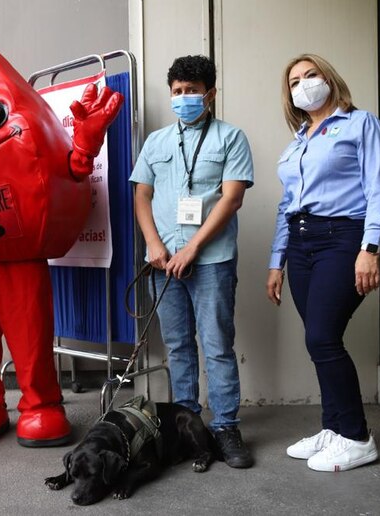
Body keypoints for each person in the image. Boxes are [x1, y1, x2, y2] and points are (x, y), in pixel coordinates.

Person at [266, 53, 380, 472]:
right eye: (294, 81)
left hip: (343, 239)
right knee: (318, 340)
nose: (303, 84)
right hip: (302, 244)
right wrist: (277, 262)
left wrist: (370, 247)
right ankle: (334, 427)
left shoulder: (361, 124)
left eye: (311, 75)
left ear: (329, 78)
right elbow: (287, 206)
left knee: (322, 338)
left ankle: (357, 437)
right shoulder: (298, 143)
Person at [129, 55, 255, 468]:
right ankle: (187, 425)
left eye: (192, 91)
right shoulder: (156, 143)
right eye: (178, 92)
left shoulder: (230, 138)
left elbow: (232, 198)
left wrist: (192, 248)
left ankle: (225, 428)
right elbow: (142, 196)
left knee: (217, 345)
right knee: (179, 346)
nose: (184, 98)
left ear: (211, 94)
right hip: (163, 264)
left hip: (211, 260)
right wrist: (153, 245)